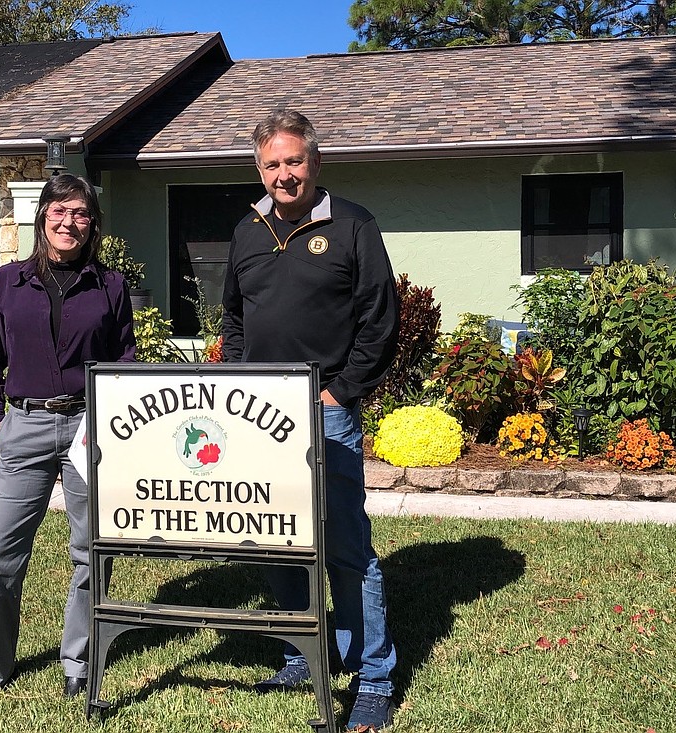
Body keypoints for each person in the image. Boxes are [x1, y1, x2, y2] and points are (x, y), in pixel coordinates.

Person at [221, 109, 400, 731]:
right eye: (272, 164)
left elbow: (381, 318)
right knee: (276, 541)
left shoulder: (352, 225)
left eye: (293, 161)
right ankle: (304, 650)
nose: (283, 174)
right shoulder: (246, 231)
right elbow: (234, 320)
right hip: (258, 416)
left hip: (325, 414)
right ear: (259, 168)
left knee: (347, 546)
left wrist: (342, 390)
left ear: (315, 162)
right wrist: (236, 387)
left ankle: (373, 674)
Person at [0, 173, 136, 705]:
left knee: (91, 551)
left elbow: (125, 361)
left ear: (92, 224)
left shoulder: (109, 285)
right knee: (0, 554)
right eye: (59, 212)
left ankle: (78, 663)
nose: (69, 223)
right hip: (26, 426)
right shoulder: (9, 282)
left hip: (89, 429)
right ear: (42, 217)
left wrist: (110, 418)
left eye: (81, 214)